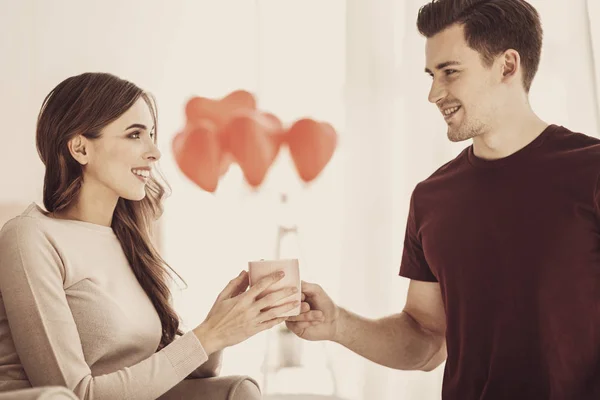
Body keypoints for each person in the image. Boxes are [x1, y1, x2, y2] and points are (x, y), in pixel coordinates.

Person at [286, 0, 600, 399]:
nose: (435, 93)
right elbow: (427, 338)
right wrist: (337, 325)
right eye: (432, 75)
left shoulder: (591, 171)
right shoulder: (432, 198)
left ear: (507, 66)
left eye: (450, 72)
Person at [0, 72, 304, 400]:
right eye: (135, 135)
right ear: (80, 148)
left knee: (239, 389)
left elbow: (159, 369)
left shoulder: (128, 239)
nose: (154, 152)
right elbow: (75, 393)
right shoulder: (29, 237)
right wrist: (209, 335)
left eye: (152, 135)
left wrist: (224, 327)